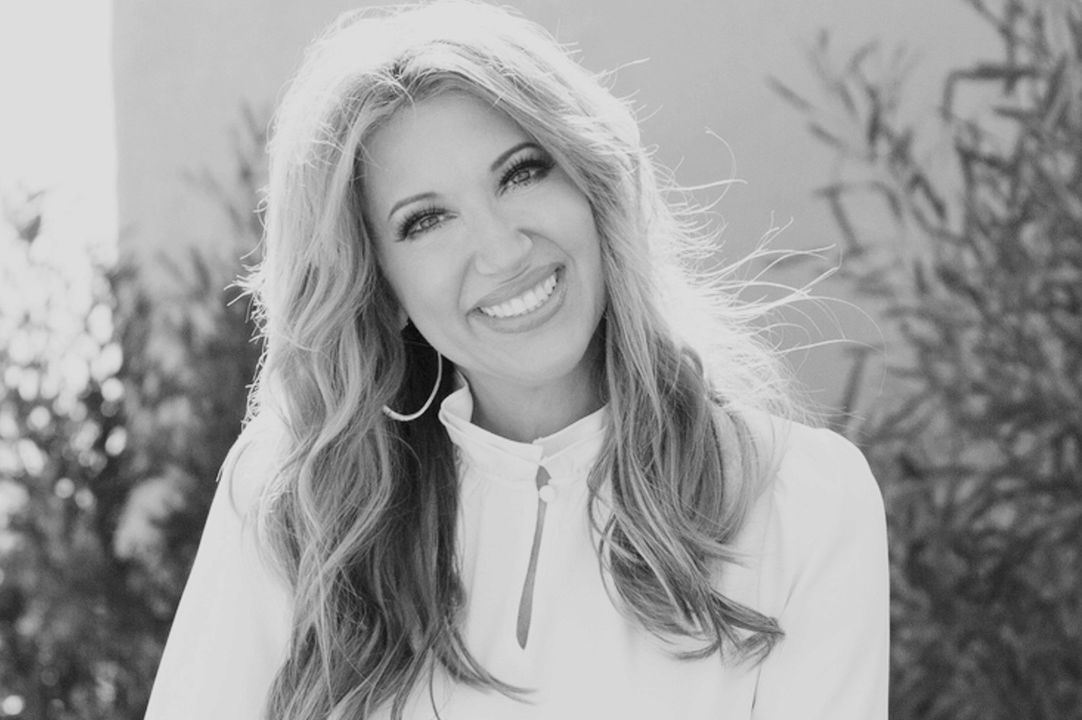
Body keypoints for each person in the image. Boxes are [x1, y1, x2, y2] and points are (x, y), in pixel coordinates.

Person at [145, 2, 889, 718]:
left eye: (522, 173)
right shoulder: (295, 506)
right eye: (426, 221)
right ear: (381, 286)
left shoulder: (799, 501)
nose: (502, 252)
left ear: (592, 185)